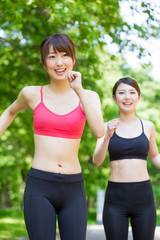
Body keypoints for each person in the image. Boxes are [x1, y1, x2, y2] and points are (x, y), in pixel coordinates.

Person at [0, 33, 105, 240]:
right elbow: (10, 112)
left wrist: (79, 90)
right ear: (44, 63)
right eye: (51, 56)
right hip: (39, 185)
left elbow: (99, 131)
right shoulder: (31, 94)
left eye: (65, 55)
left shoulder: (89, 96)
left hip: (73, 188)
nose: (59, 62)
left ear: (73, 59)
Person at [92, 77, 160, 240]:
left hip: (144, 198)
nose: (127, 97)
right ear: (114, 97)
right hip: (115, 199)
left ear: (139, 97)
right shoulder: (106, 126)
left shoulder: (148, 126)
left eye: (132, 92)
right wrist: (107, 136)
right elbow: (97, 160)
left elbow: (155, 156)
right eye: (121, 93)